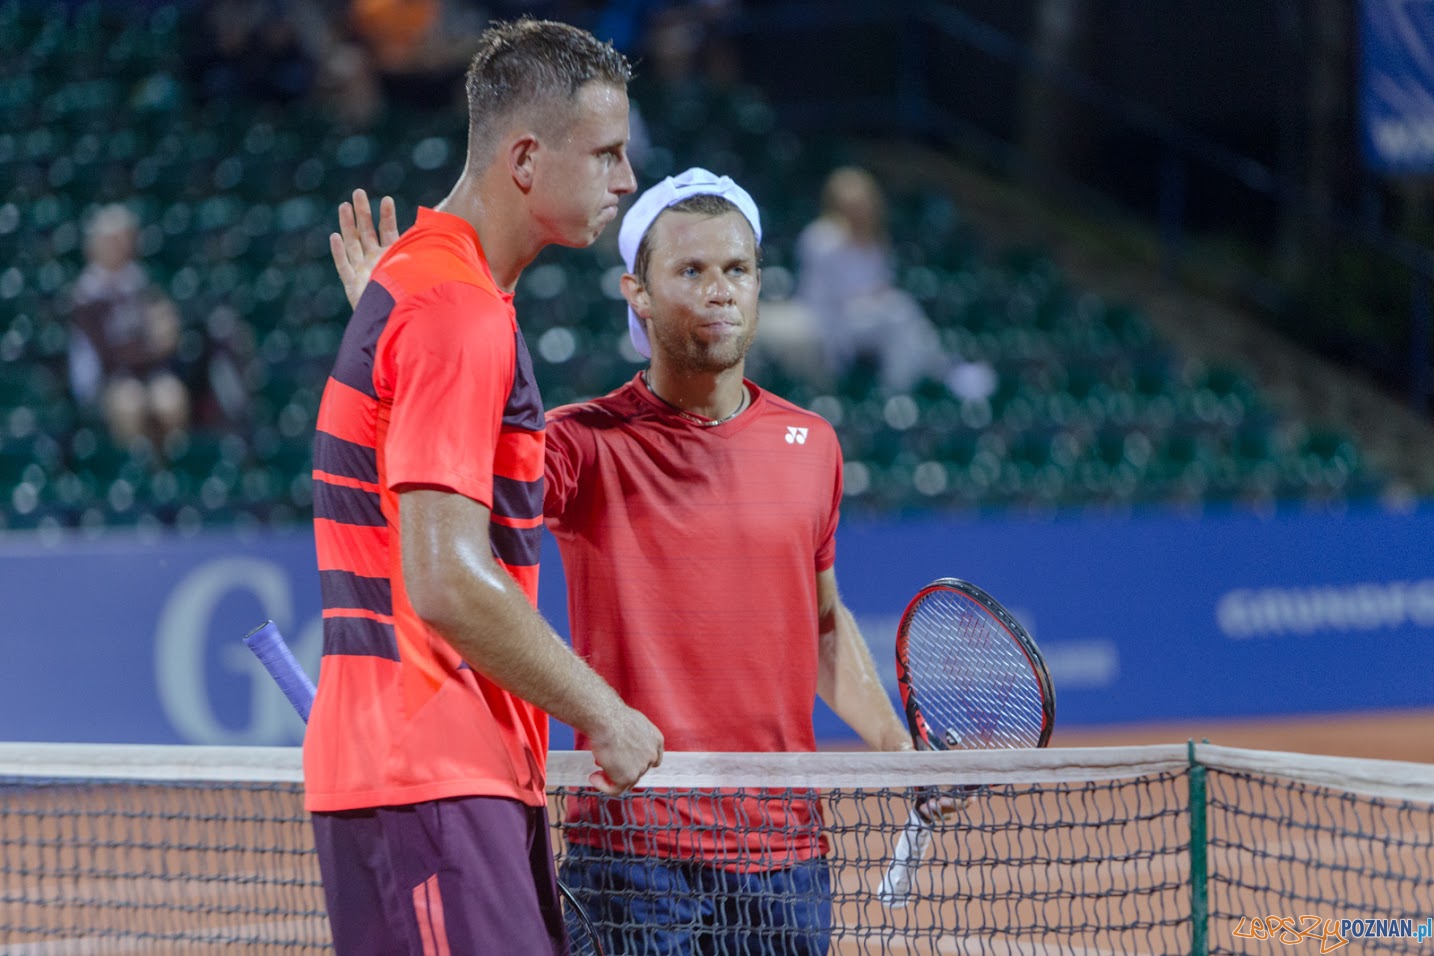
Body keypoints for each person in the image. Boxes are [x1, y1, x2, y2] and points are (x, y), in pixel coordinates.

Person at [332, 168, 931, 955]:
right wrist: (401, 334)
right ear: (637, 294)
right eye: (691, 271)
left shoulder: (811, 444)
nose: (720, 290)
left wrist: (897, 754)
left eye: (737, 270)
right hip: (632, 860)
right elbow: (450, 482)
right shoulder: (580, 442)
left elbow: (821, 623)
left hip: (786, 861)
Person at [305, 20, 664, 956]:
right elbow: (447, 577)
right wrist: (604, 713)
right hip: (430, 774)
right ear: (526, 158)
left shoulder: (430, 292)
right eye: (608, 154)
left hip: (435, 777)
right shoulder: (453, 310)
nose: (625, 181)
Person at [765, 165, 996, 401]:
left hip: (863, 319)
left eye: (863, 203)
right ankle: (915, 385)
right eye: (852, 204)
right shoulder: (822, 237)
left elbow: (879, 284)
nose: (859, 211)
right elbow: (832, 294)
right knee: (899, 311)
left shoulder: (875, 243)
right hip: (826, 320)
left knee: (902, 317)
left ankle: (926, 379)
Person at [68, 204, 190, 448]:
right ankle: (133, 472)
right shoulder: (86, 295)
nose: (121, 245)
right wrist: (148, 350)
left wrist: (161, 340)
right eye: (113, 240)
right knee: (130, 401)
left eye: (125, 238)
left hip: (147, 371)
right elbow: (107, 354)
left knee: (171, 396)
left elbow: (165, 338)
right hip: (107, 379)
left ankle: (172, 470)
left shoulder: (140, 283)